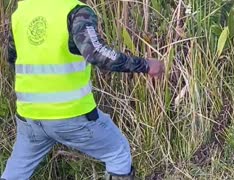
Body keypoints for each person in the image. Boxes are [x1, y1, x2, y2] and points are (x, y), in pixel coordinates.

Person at [0, 0, 164, 179]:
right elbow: (97, 54)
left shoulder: (22, 11)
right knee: (117, 152)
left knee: (17, 169)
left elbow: (12, 56)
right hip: (71, 114)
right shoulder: (75, 12)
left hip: (29, 116)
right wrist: (145, 65)